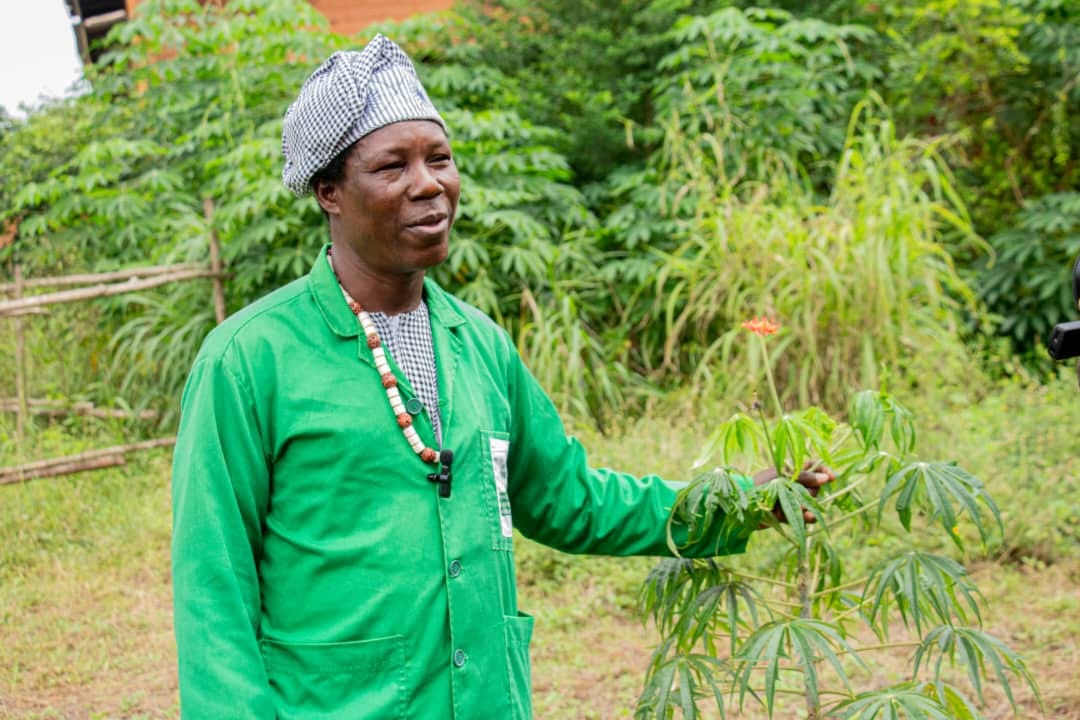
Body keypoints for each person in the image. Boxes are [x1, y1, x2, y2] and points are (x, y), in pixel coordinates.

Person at [170, 34, 832, 720]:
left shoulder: (478, 345)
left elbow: (567, 497)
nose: (429, 184)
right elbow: (211, 584)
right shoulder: (249, 359)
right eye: (392, 165)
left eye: (440, 158)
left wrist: (740, 503)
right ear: (329, 192)